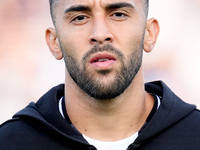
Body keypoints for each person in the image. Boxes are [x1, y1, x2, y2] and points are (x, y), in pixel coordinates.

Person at [0, 0, 200, 149]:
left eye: (119, 14)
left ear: (149, 33)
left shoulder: (194, 136)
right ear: (54, 42)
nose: (100, 33)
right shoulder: (11, 142)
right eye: (80, 17)